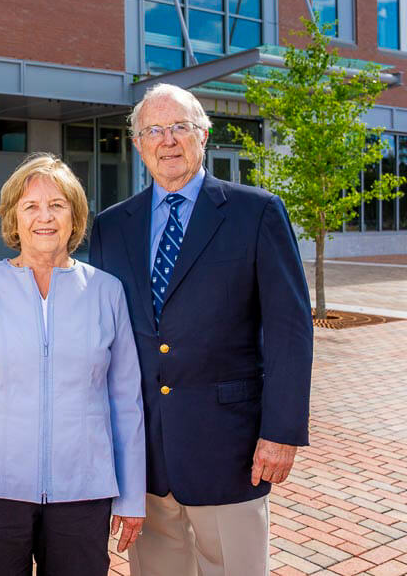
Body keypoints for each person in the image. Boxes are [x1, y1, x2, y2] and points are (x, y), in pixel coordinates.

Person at [89, 83, 314, 575]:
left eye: (179, 128)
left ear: (203, 135)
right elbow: (101, 338)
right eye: (153, 130)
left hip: (229, 449)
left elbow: (289, 330)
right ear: (137, 143)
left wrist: (281, 432)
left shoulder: (257, 212)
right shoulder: (111, 227)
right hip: (144, 455)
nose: (167, 140)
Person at [0, 153, 146, 575]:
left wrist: (132, 495)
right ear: (14, 218)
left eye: (57, 205)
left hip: (83, 491)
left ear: (75, 216)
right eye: (31, 206)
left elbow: (127, 403)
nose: (44, 217)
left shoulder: (107, 292)